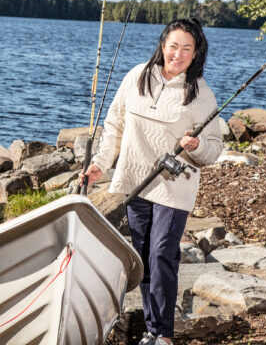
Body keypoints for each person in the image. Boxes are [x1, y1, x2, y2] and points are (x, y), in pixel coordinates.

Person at [82, 18, 222, 345]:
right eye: (174, 46)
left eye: (187, 48)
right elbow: (114, 124)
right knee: (142, 258)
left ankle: (164, 336)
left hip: (176, 187)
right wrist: (100, 164)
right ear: (163, 45)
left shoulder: (201, 95)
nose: (178, 54)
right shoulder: (137, 76)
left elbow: (214, 149)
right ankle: (152, 329)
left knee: (162, 254)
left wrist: (197, 145)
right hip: (137, 180)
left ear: (196, 52)